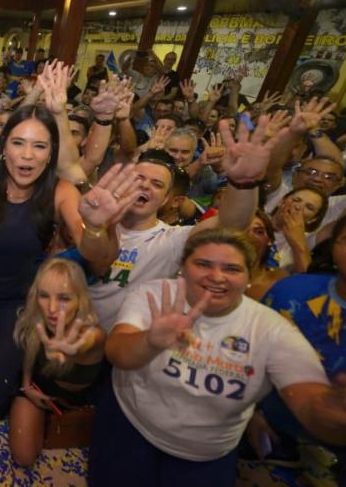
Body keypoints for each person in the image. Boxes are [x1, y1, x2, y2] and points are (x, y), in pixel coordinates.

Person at [91, 229, 346, 487]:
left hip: (204, 453)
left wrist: (336, 412)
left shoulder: (270, 329)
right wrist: (151, 341)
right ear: (182, 268)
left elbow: (308, 397)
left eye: (232, 269)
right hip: (129, 425)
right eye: (203, 264)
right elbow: (118, 354)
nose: (217, 276)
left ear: (249, 278)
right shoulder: (154, 295)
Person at [0, 100, 138, 421]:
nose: (26, 155)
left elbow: (98, 258)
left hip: (16, 300)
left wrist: (94, 226)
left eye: (39, 146)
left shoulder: (60, 191)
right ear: (4, 148)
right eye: (18, 143)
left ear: (50, 154)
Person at [90, 116, 287, 331]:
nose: (145, 186)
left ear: (166, 199)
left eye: (156, 184)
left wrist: (244, 183)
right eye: (138, 179)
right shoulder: (92, 220)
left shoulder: (171, 239)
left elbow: (234, 222)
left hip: (128, 343)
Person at [258, 209, 346, 487]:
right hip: (275, 437)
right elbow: (248, 357)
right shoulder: (291, 294)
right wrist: (249, 414)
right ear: (333, 250)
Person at [9, 257, 105, 466]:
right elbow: (29, 356)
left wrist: (73, 347)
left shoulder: (93, 334)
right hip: (41, 393)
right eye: (44, 296)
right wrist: (26, 387)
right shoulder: (35, 323)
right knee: (24, 458)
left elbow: (90, 341)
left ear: (80, 299)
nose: (52, 308)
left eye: (64, 298)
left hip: (82, 402)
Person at [269, 186, 329, 273]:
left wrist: (298, 243)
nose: (298, 207)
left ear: (313, 219)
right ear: (281, 201)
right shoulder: (254, 219)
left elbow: (305, 281)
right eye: (296, 200)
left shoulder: (308, 241)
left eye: (309, 207)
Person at [244, 209, 289, 301]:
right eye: (242, 229)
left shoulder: (280, 281)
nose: (249, 237)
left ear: (270, 241)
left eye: (258, 232)